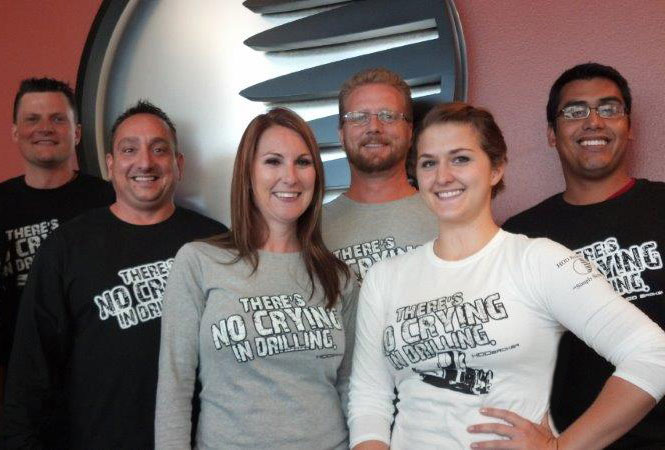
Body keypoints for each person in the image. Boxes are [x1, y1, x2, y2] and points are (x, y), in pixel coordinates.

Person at [348, 102, 665, 449]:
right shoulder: (385, 278)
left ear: (496, 168)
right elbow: (369, 399)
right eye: (428, 163)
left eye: (460, 159)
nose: (442, 176)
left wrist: (561, 448)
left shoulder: (537, 260)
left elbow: (653, 353)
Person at [1, 101, 226, 449]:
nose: (145, 162)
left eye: (159, 149)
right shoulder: (66, 248)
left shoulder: (217, 243)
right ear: (110, 165)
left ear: (178, 164)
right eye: (129, 150)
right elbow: (30, 373)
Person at [155, 107, 357, 449]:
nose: (290, 177)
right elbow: (175, 385)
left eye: (303, 162)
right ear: (248, 173)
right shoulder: (199, 262)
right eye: (273, 161)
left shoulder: (338, 276)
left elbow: (351, 386)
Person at [503, 62, 665, 447]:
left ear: (629, 127)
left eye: (609, 108)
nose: (593, 121)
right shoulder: (518, 235)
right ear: (552, 134)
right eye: (575, 111)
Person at [0, 78, 115, 397]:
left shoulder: (109, 200)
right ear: (15, 132)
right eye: (32, 119)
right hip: (22, 385)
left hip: (101, 377)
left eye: (57, 119)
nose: (44, 128)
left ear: (76, 132)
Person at [323, 68, 437, 283]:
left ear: (410, 132)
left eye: (388, 116)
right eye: (359, 117)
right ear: (341, 135)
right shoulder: (312, 230)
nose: (374, 127)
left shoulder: (446, 214)